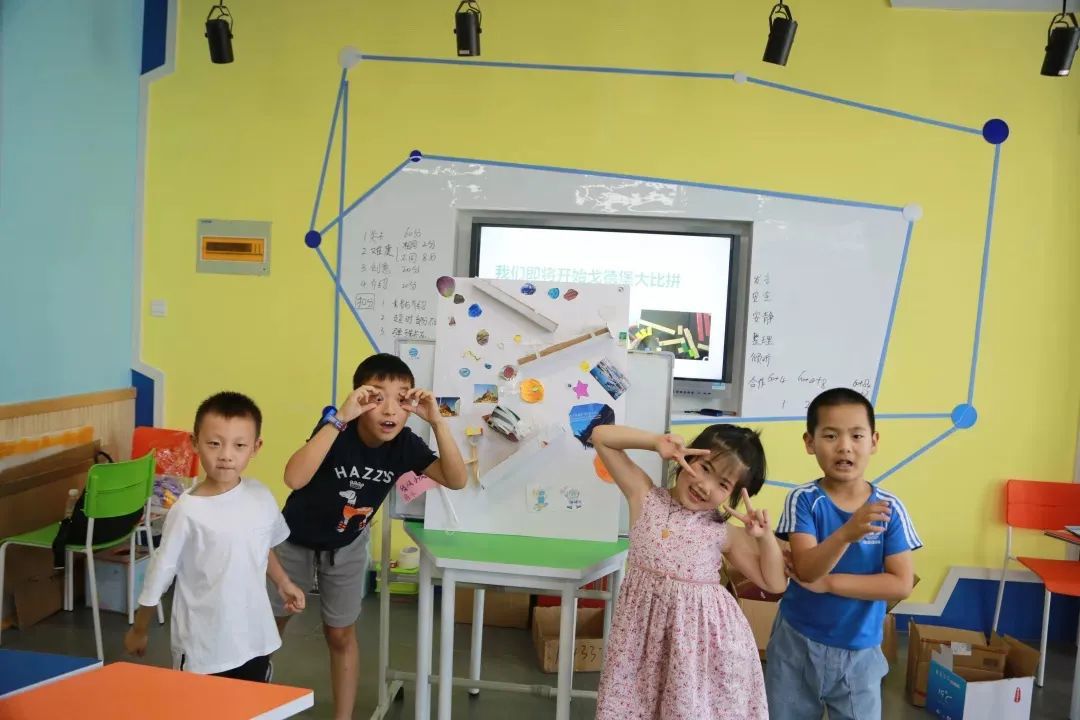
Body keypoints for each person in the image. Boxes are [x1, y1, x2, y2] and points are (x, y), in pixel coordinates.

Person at [273, 353, 467, 720]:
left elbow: (456, 479)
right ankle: (246, 694)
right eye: (377, 397)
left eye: (401, 398)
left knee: (340, 634)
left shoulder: (405, 444)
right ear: (359, 398)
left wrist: (438, 421)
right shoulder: (337, 427)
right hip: (292, 541)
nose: (389, 409)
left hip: (346, 547)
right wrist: (340, 418)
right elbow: (294, 478)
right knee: (270, 627)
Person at [593, 423, 785, 719]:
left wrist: (765, 538)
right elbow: (601, 437)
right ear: (687, 456)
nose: (705, 486)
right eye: (704, 468)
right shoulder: (644, 496)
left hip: (698, 651)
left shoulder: (723, 533)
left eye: (723, 484)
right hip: (639, 643)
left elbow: (774, 583)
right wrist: (656, 442)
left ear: (732, 496)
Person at [125, 391, 305, 681]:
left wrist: (283, 583)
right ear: (195, 443)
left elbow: (262, 545)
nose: (226, 455)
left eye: (239, 445)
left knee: (253, 700)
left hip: (255, 638)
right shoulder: (187, 511)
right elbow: (160, 573)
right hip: (203, 647)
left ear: (255, 447)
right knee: (203, 703)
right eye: (214, 443)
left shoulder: (260, 496)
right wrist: (139, 628)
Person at [766, 388, 921, 720]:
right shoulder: (804, 500)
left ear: (874, 441)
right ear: (810, 442)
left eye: (857, 435)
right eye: (831, 435)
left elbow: (901, 584)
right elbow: (807, 570)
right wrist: (847, 533)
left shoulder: (889, 508)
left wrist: (830, 584)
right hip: (797, 643)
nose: (844, 446)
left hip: (860, 651)